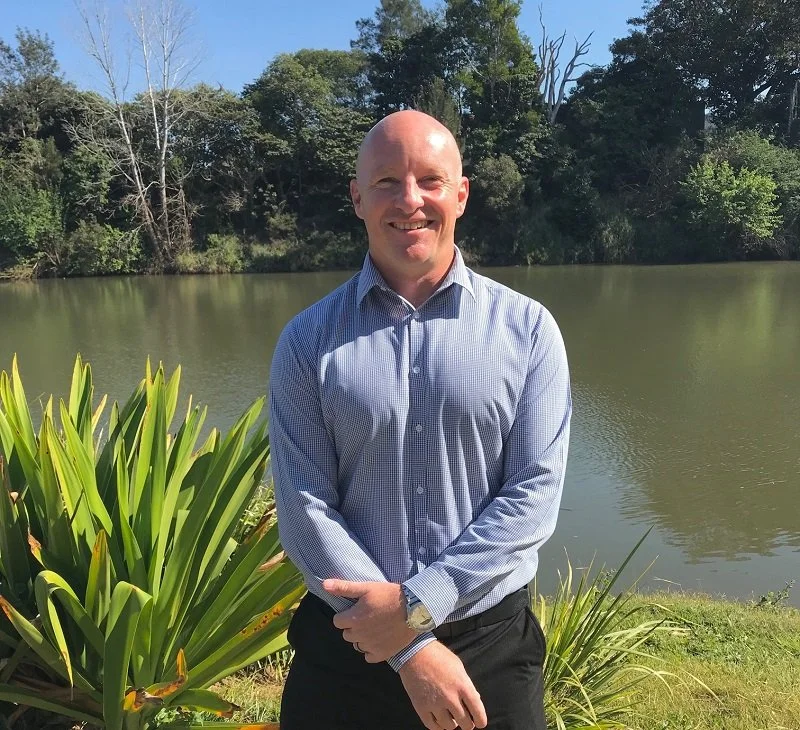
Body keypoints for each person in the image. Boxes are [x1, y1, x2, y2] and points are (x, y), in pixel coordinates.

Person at [268, 109, 571, 730]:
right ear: (357, 197)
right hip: (345, 650)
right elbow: (303, 509)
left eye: (430, 180)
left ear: (460, 194)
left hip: (488, 648)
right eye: (386, 182)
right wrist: (409, 643)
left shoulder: (529, 332)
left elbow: (533, 496)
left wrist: (413, 608)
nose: (410, 200)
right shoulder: (306, 342)